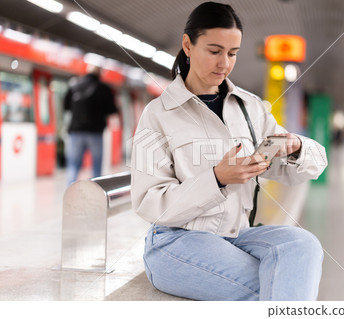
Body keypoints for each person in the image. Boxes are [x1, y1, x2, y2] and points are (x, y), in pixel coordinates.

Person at [131, 2, 328, 301]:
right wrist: (217, 179)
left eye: (232, 53)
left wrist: (296, 148)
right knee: (282, 285)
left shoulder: (250, 109)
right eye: (214, 51)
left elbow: (308, 168)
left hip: (237, 235)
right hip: (176, 241)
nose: (224, 63)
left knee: (304, 246)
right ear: (188, 44)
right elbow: (148, 202)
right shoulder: (157, 114)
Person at [64, 65, 118, 185]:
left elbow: (66, 106)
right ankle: (96, 192)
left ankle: (69, 191)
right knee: (97, 165)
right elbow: (112, 110)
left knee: (73, 165)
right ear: (100, 73)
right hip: (95, 133)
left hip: (76, 131)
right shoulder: (104, 88)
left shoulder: (74, 85)